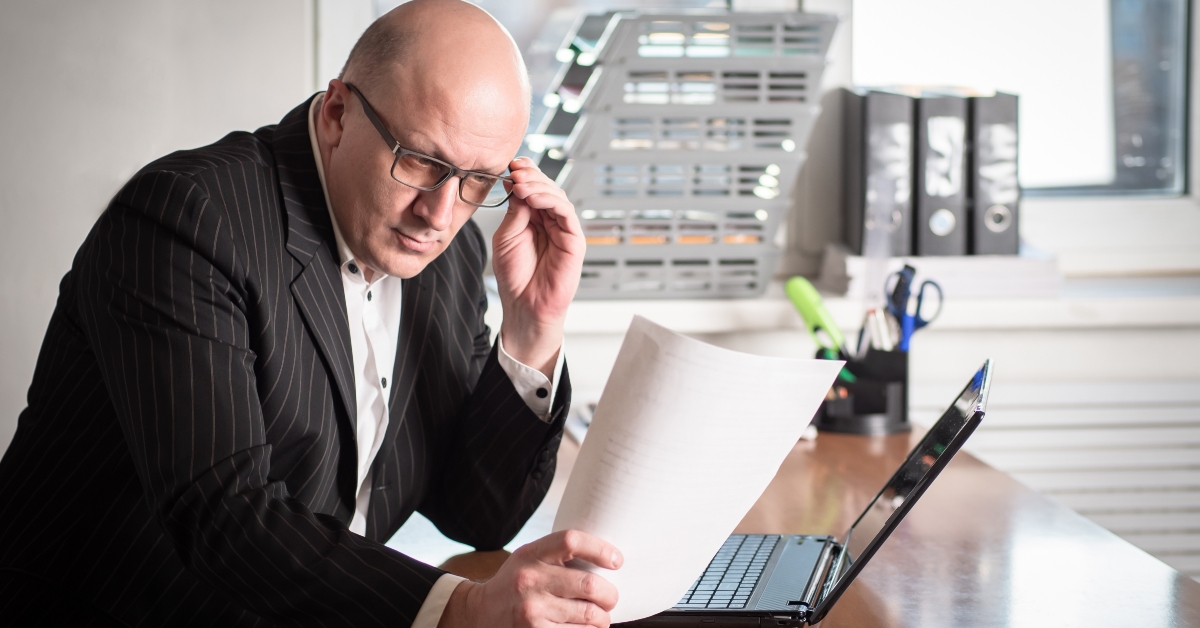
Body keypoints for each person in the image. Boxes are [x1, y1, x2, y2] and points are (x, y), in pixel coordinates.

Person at [0, 1, 622, 626]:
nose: (438, 215)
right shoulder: (189, 219)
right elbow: (225, 514)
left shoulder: (448, 258)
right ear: (336, 114)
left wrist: (533, 327)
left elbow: (476, 514)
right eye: (419, 161)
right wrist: (458, 608)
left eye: (478, 181)